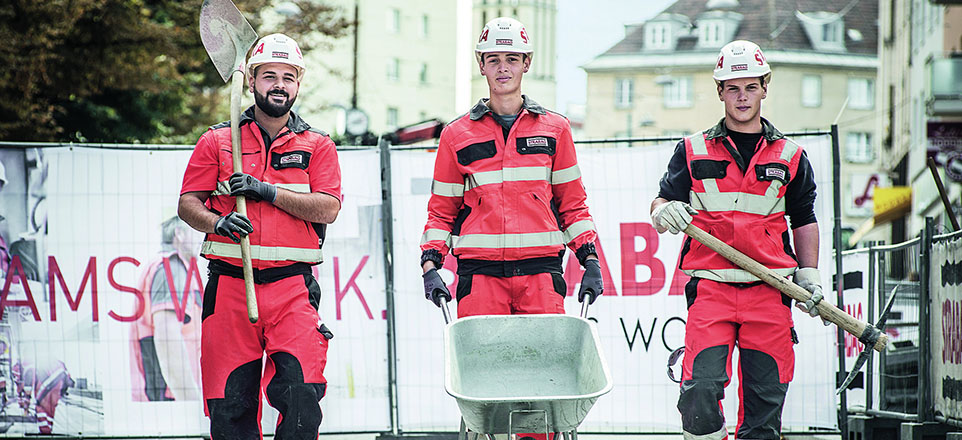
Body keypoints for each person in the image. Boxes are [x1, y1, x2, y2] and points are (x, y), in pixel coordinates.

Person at [650, 40, 826, 440]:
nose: (742, 96)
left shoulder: (791, 156)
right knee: (699, 392)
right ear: (720, 92)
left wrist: (810, 274)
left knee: (765, 404)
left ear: (765, 87)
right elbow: (663, 200)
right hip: (711, 289)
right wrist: (662, 211)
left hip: (771, 290)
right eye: (732, 87)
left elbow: (804, 218)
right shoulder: (692, 150)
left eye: (750, 86)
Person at [178, 33, 341, 440]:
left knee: (302, 399)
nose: (279, 85)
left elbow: (329, 207)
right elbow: (187, 203)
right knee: (229, 406)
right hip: (232, 286)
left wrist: (267, 192)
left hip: (293, 290)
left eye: (288, 76)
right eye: (270, 75)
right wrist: (218, 223)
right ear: (252, 81)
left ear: (298, 83)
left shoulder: (318, 145)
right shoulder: (217, 140)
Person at [420, 17, 604, 320]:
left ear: (526, 63)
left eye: (512, 59)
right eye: (493, 59)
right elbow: (442, 211)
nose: (502, 67)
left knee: (545, 365)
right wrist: (430, 264)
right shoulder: (456, 135)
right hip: (480, 278)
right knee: (482, 366)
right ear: (482, 65)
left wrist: (590, 260)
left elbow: (572, 204)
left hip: (541, 276)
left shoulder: (556, 130)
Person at [129, 215, 204, 402]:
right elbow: (168, 339)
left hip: (166, 395)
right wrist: (192, 403)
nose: (202, 238)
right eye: (196, 230)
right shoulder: (172, 267)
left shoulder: (163, 266)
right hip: (172, 400)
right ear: (179, 234)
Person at [12, 356, 74, 434]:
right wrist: (63, 391)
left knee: (40, 408)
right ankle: (48, 429)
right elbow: (67, 377)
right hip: (59, 381)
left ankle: (45, 432)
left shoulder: (26, 366)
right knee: (51, 409)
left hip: (46, 384)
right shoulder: (56, 362)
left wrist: (27, 399)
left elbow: (28, 382)